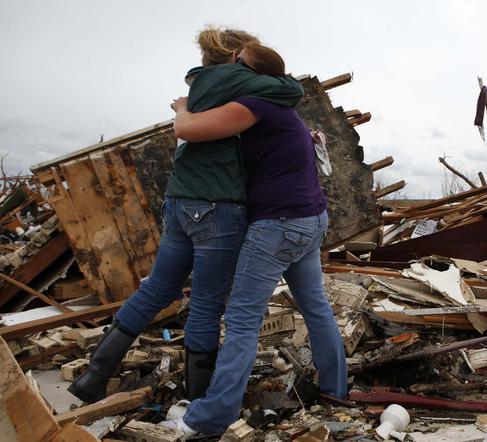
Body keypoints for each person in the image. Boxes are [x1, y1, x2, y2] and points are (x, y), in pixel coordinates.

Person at [68, 27, 304, 404]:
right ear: (235, 56)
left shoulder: (198, 82)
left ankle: (94, 376)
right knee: (209, 302)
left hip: (179, 200)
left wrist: (181, 107)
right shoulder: (238, 78)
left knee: (157, 289)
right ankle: (198, 399)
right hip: (218, 204)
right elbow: (293, 90)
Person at [161, 42, 347, 436]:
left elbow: (188, 129)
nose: (231, 66)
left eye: (236, 61)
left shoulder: (255, 105)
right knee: (316, 308)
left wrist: (182, 107)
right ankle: (336, 389)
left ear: (247, 70)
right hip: (311, 218)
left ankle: (209, 417)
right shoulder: (284, 107)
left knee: (243, 320)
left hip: (278, 224)